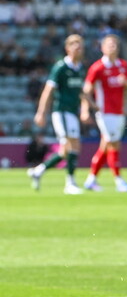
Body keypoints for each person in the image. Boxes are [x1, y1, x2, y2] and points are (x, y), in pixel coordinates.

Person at [27, 34, 94, 194]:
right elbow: (48, 90)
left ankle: (38, 171)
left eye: (80, 45)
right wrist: (41, 113)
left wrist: (89, 107)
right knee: (72, 144)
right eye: (74, 45)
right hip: (62, 112)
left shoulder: (80, 68)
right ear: (67, 48)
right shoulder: (61, 67)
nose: (78, 48)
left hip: (72, 112)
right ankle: (70, 183)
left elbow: (82, 92)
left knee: (65, 150)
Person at [82, 34, 127, 192]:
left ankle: (91, 179)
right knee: (114, 144)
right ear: (102, 48)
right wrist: (87, 109)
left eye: (115, 45)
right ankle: (119, 181)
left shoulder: (123, 65)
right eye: (110, 45)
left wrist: (126, 83)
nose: (113, 47)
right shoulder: (97, 67)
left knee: (106, 145)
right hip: (105, 112)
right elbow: (86, 90)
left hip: (119, 111)